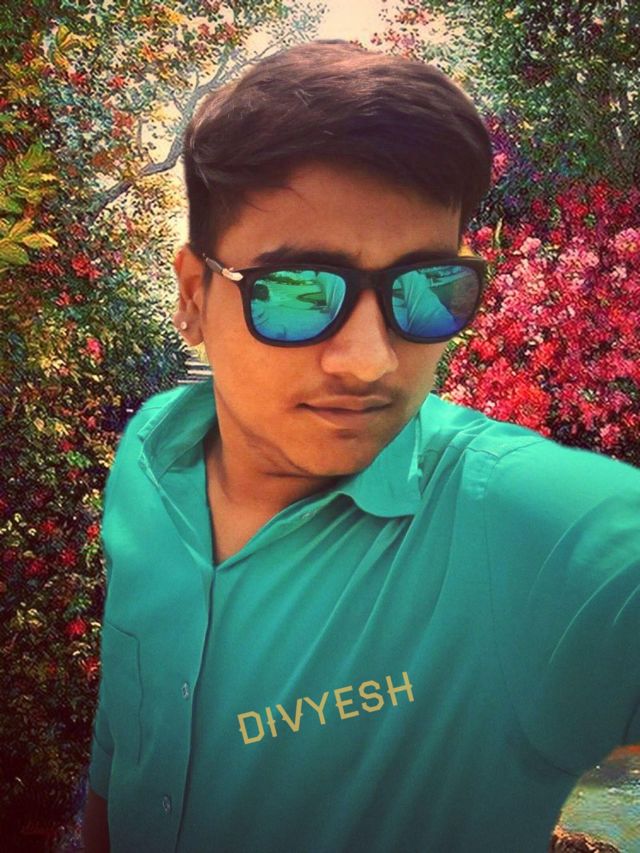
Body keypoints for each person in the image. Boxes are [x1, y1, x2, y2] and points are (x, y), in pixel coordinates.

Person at [83, 39, 640, 853]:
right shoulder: (148, 457)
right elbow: (124, 750)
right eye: (299, 291)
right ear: (195, 296)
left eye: (426, 289)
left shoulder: (525, 525)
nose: (371, 361)